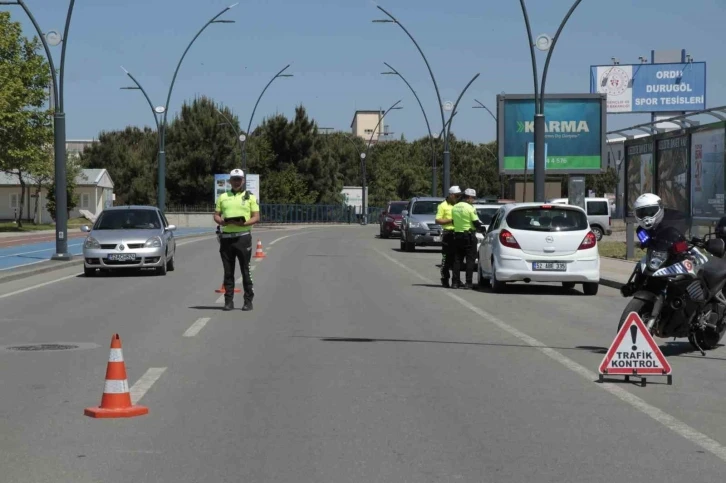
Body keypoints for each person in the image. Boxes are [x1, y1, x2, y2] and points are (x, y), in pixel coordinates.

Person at [213, 169, 260, 311]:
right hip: (226, 239)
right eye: (234, 179)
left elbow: (256, 216)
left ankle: (248, 301)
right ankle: (228, 301)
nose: (236, 181)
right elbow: (216, 215)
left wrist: (244, 223)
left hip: (243, 237)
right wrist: (222, 222)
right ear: (230, 181)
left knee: (245, 270)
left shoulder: (250, 197)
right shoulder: (223, 197)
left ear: (243, 181)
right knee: (228, 272)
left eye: (239, 179)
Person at [451, 188, 484, 289]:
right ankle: (468, 283)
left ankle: (455, 283)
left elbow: (453, 222)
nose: (473, 200)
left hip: (457, 235)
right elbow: (475, 222)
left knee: (457, 260)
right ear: (469, 197)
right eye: (473, 198)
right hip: (469, 236)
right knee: (470, 260)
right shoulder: (470, 208)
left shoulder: (455, 207)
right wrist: (482, 229)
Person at [435, 185, 461, 287]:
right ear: (451, 195)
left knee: (457, 259)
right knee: (446, 258)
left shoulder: (460, 205)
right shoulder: (443, 205)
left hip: (458, 233)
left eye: (459, 196)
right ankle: (445, 278)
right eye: (456, 196)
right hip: (448, 234)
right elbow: (438, 220)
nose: (458, 197)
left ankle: (456, 280)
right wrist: (451, 220)